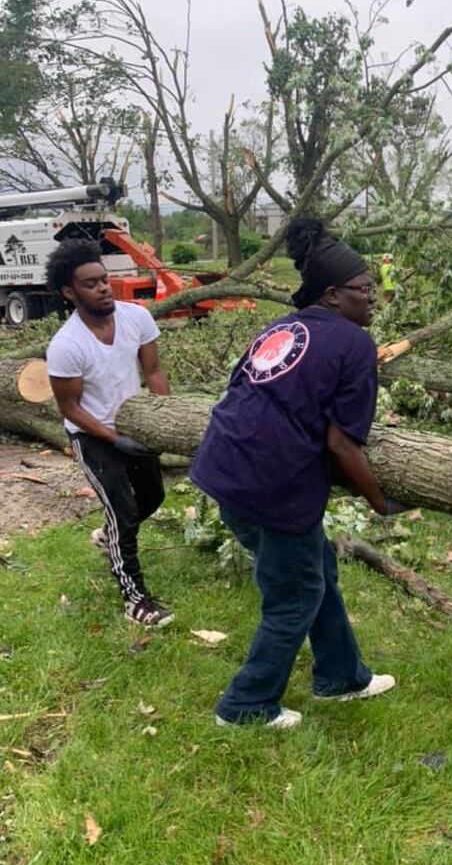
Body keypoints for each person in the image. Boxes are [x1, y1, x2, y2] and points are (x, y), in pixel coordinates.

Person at [190, 218, 403, 730]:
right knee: (295, 596)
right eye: (363, 290)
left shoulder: (282, 327)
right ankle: (245, 705)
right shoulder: (354, 344)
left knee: (315, 570)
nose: (373, 298)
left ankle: (342, 676)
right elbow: (341, 442)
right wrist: (381, 502)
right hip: (271, 484)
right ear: (332, 295)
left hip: (222, 466)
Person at [45, 239, 173, 627]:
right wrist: (115, 440)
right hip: (92, 436)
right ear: (70, 292)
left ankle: (109, 535)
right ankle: (136, 601)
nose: (103, 287)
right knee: (123, 508)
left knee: (152, 496)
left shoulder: (137, 318)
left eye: (104, 279)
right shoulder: (66, 345)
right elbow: (70, 408)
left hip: (136, 426)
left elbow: (153, 372)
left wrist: (162, 419)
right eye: (90, 283)